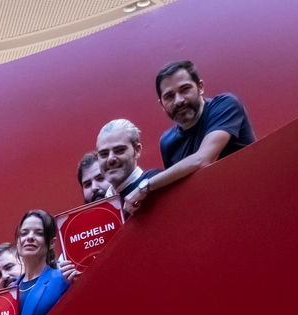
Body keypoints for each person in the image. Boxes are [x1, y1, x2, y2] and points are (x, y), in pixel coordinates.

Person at [136, 59, 255, 214]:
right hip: (213, 216)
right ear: (162, 104)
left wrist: (145, 187)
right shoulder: (167, 142)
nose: (178, 101)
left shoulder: (226, 105)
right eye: (169, 96)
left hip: (252, 203)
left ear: (200, 87)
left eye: (185, 89)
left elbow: (203, 160)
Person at [8, 210, 71, 315]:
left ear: (52, 243)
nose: (30, 237)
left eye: (39, 233)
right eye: (24, 233)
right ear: (18, 242)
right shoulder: (9, 293)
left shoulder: (63, 280)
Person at [95, 118, 156, 200]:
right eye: (104, 154)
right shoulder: (103, 200)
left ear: (137, 150)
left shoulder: (155, 183)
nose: (110, 159)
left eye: (119, 150)